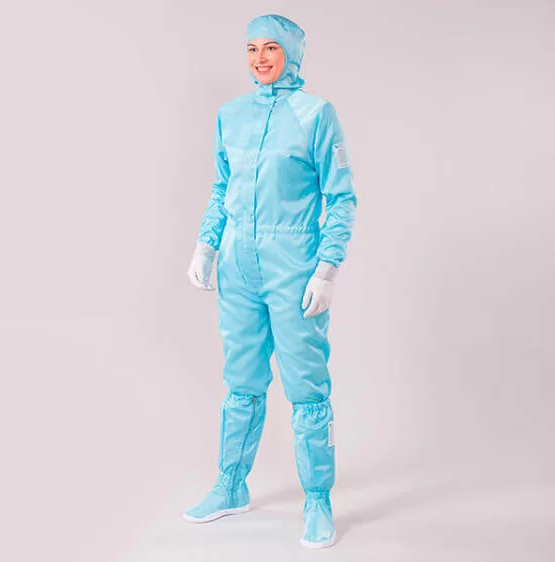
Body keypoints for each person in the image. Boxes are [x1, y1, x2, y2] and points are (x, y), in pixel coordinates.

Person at [183, 14, 357, 549]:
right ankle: (230, 484)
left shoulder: (316, 114)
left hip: (293, 264)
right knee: (241, 380)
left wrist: (326, 267)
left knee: (306, 386)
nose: (259, 58)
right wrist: (207, 243)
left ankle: (317, 500)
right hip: (238, 267)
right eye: (252, 48)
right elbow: (222, 187)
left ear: (292, 54)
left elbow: (341, 198)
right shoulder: (230, 116)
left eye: (271, 48)